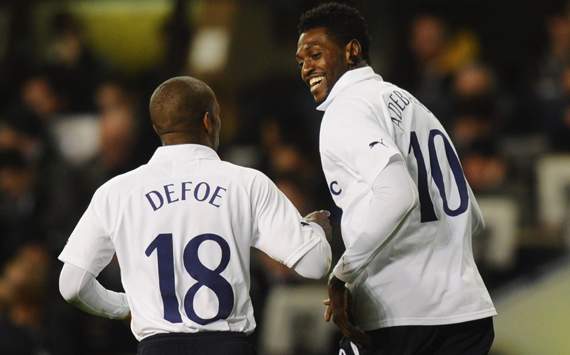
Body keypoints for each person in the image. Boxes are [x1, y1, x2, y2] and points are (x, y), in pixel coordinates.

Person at [57, 76, 333, 355]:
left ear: (157, 128)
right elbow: (314, 264)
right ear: (208, 121)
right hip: (228, 347)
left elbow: (72, 285)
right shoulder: (247, 183)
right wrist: (316, 230)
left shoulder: (116, 192)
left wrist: (127, 306)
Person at [295, 3, 496, 355]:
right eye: (301, 61)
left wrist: (343, 273)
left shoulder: (347, 109)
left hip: (402, 316)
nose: (306, 68)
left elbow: (397, 194)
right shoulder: (411, 104)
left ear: (351, 50)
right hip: (467, 315)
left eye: (315, 54)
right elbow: (473, 218)